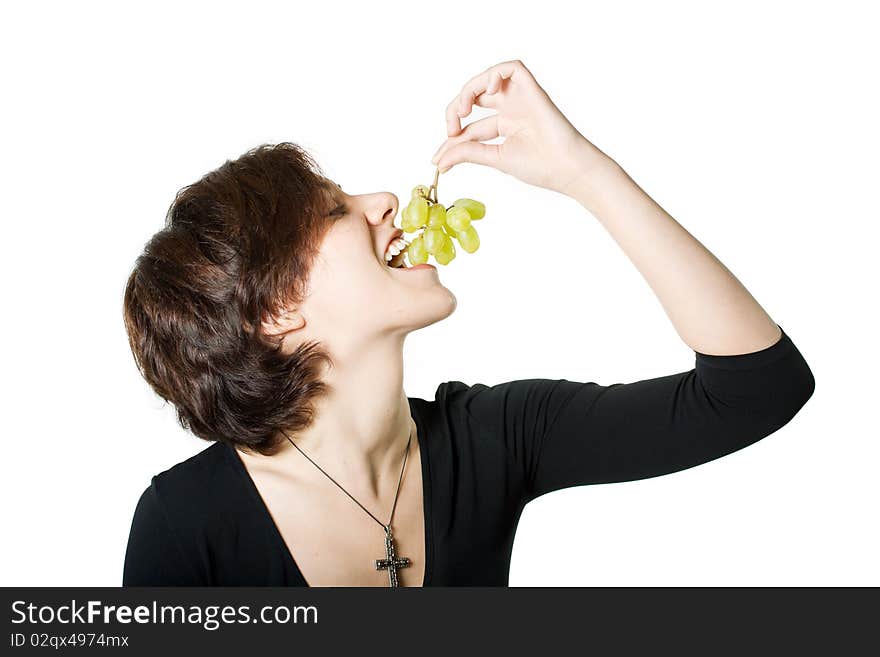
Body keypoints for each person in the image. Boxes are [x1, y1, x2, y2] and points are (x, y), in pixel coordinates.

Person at [121, 59, 815, 587]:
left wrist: (580, 170)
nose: (386, 200)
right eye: (335, 211)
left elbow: (757, 388)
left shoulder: (494, 436)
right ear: (276, 310)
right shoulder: (184, 528)